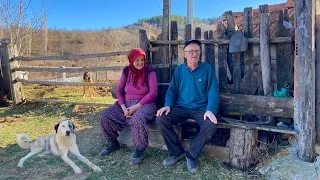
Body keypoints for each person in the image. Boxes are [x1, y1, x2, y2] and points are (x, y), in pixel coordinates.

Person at [156, 39, 219, 173]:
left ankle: (191, 155)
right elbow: (172, 90)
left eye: (196, 51)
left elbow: (213, 92)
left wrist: (210, 110)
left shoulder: (207, 69)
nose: (194, 53)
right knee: (161, 119)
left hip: (201, 109)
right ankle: (176, 152)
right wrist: (167, 105)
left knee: (211, 125)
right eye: (190, 51)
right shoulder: (180, 70)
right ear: (184, 54)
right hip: (181, 107)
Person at [99, 48, 158, 165]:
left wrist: (136, 107)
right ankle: (113, 142)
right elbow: (120, 90)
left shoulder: (149, 71)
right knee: (104, 116)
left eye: (142, 60)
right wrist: (123, 108)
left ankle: (140, 149)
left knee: (137, 119)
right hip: (126, 104)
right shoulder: (126, 71)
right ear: (131, 60)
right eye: (137, 60)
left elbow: (153, 93)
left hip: (145, 103)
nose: (140, 63)